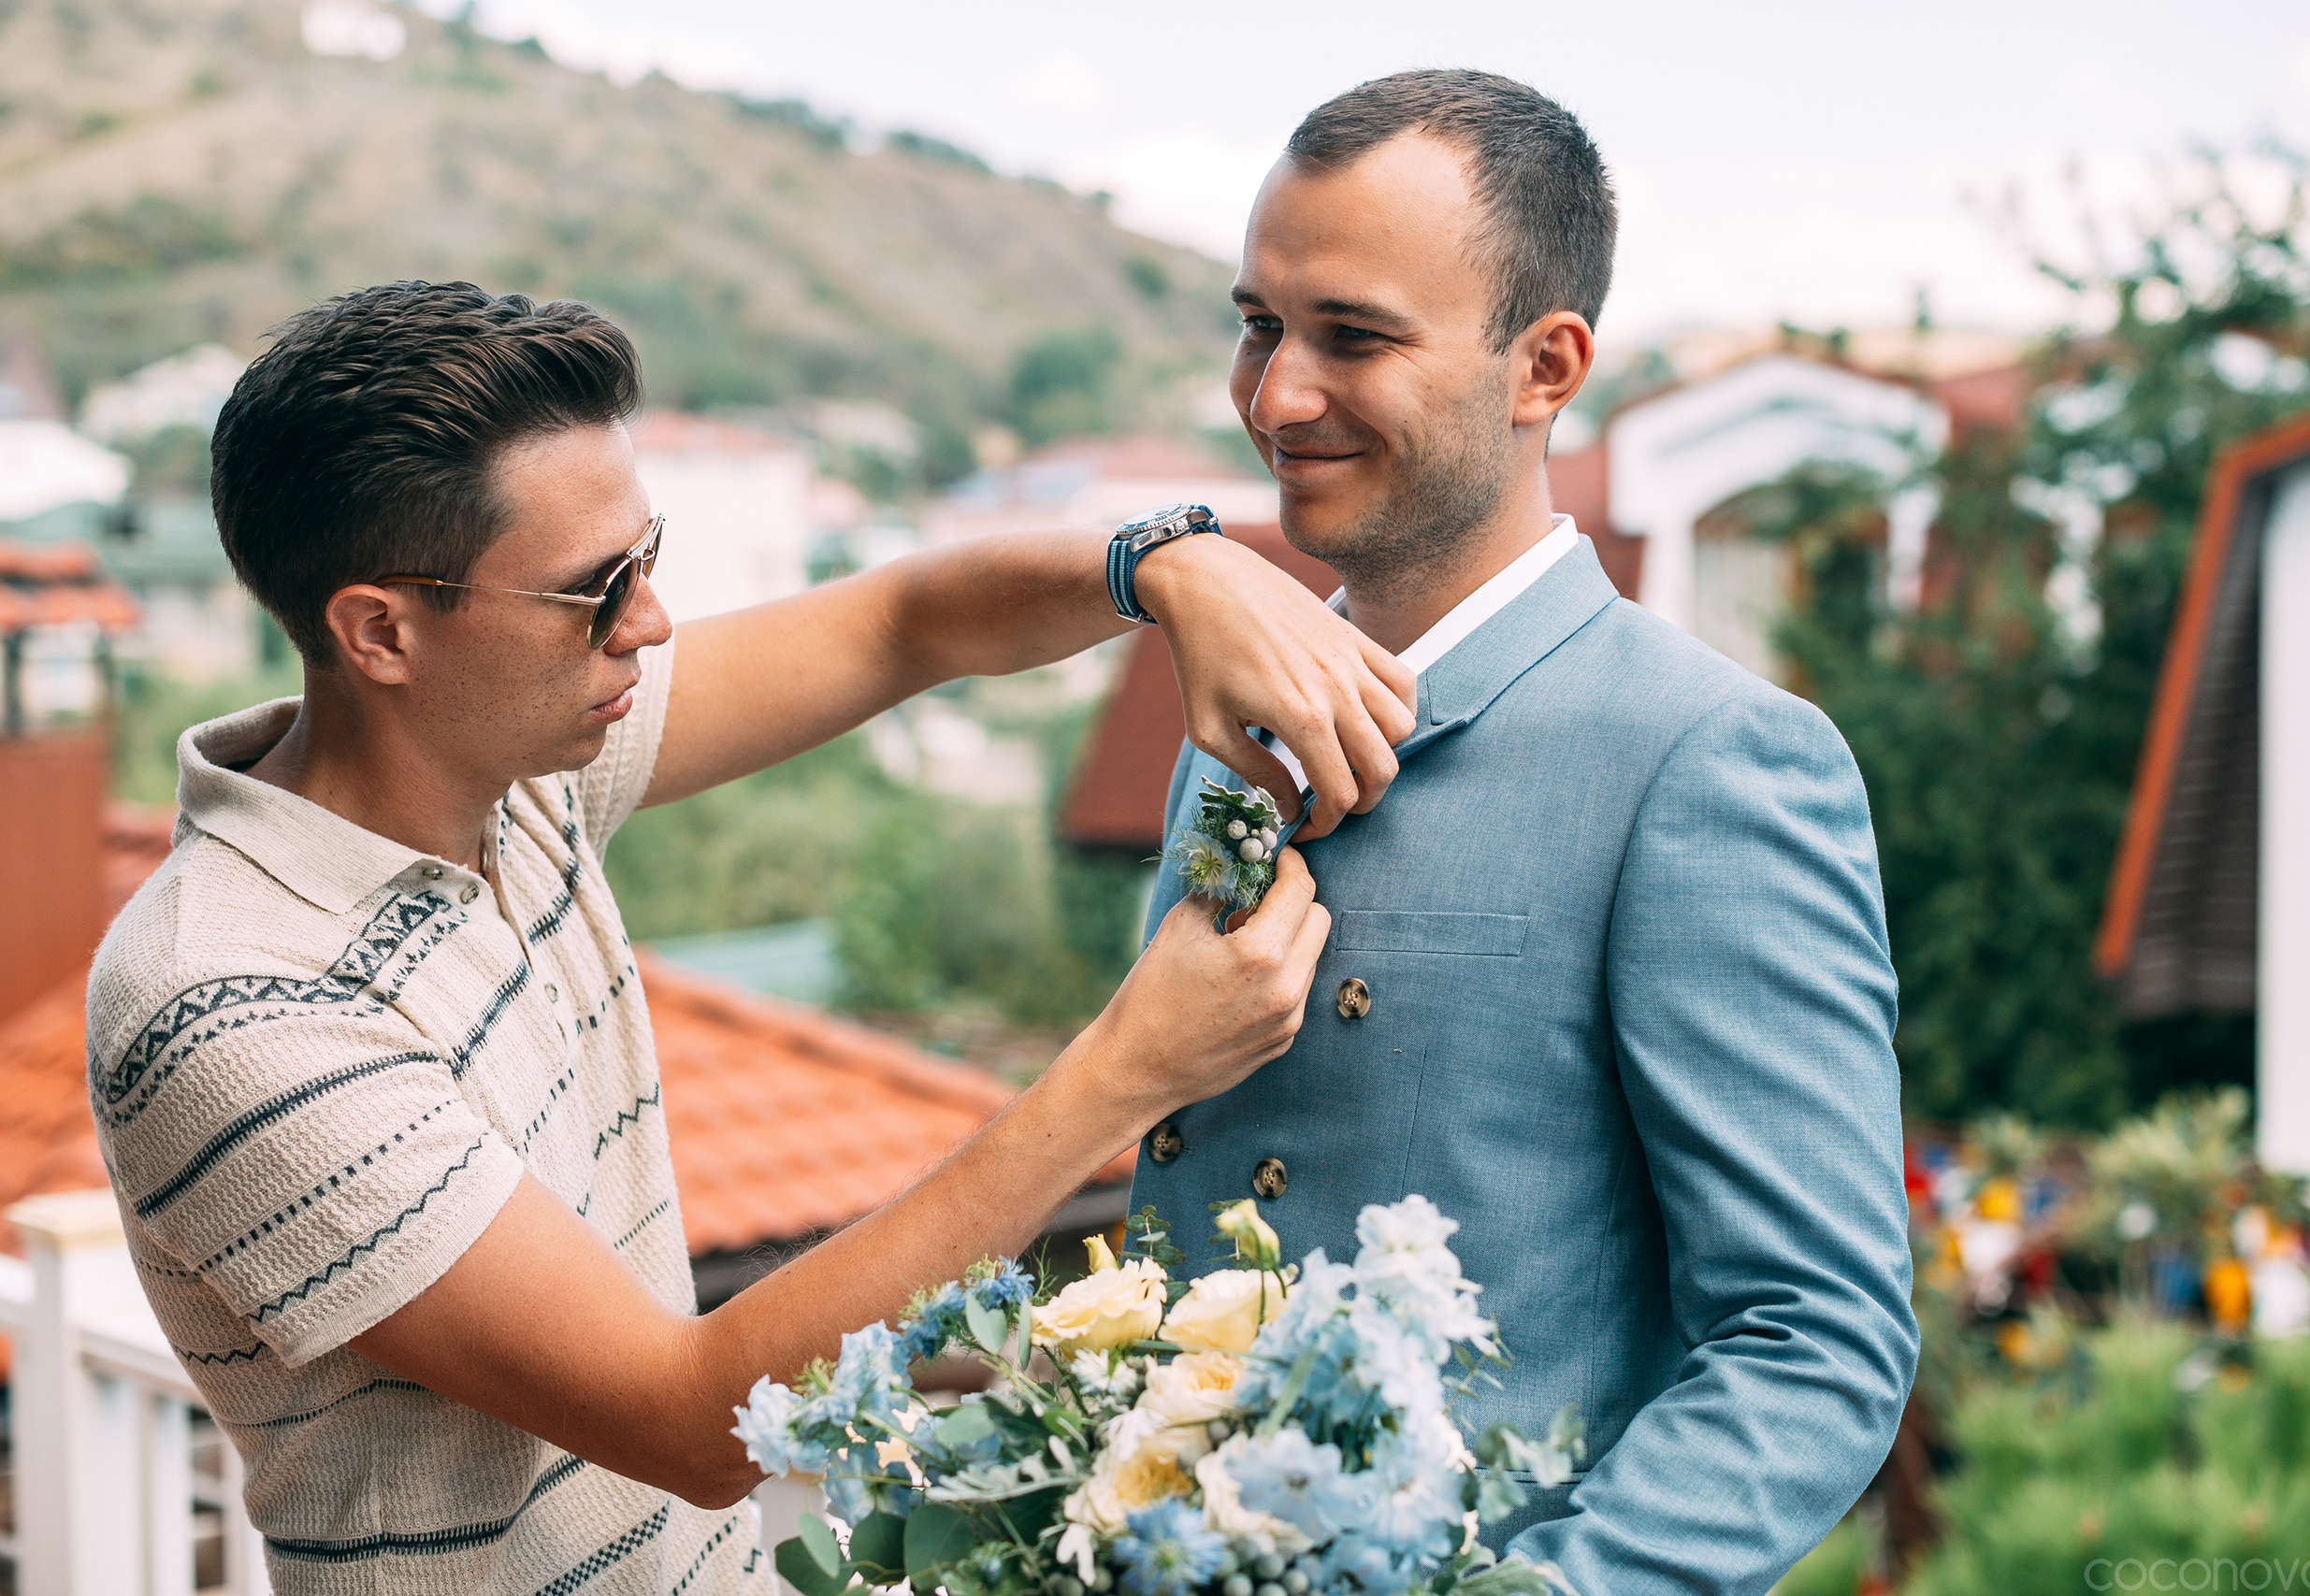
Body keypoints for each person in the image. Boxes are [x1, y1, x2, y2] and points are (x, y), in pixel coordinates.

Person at [85, 280, 1420, 1593]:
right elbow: (687, 1421)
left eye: (647, 559)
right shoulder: (230, 1003)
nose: (649, 622)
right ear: (381, 631)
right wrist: (1128, 1069)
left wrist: (1167, 566)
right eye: (597, 590)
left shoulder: (506, 763)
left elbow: (909, 623)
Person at [1129, 71, 1918, 1596]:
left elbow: (1815, 1340)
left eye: (1351, 337)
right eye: (1257, 325)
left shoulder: (1712, 760)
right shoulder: (1233, 725)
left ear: (1543, 366)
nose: (1276, 396)